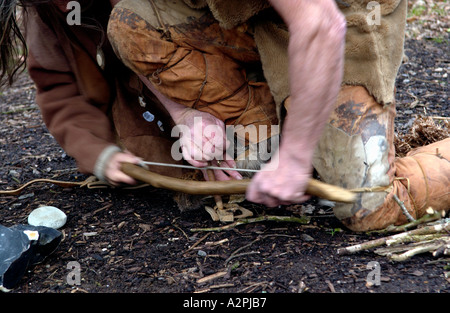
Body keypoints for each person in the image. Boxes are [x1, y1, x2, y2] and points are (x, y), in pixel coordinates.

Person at [1, 0, 448, 231]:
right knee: (132, 24)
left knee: (366, 205)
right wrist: (183, 113)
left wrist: (293, 158)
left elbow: (320, 23)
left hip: (335, 16)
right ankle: (287, 129)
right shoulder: (50, 11)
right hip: (241, 12)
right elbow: (132, 29)